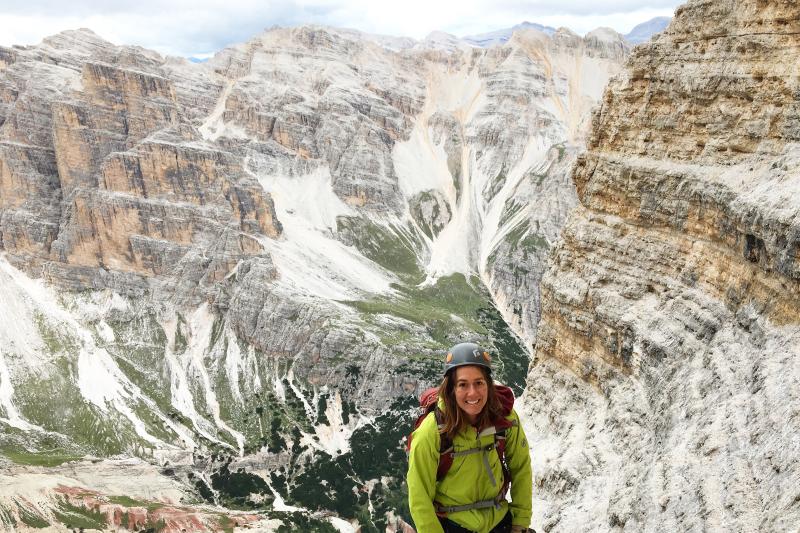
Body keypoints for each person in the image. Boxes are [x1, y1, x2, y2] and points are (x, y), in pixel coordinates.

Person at [407, 342, 533, 533]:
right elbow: (419, 495)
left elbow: (521, 467)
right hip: (454, 525)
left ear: (488, 385)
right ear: (451, 389)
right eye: (463, 384)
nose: (472, 393)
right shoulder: (431, 431)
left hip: (500, 521)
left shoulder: (505, 418)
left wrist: (520, 522)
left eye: (479, 383)